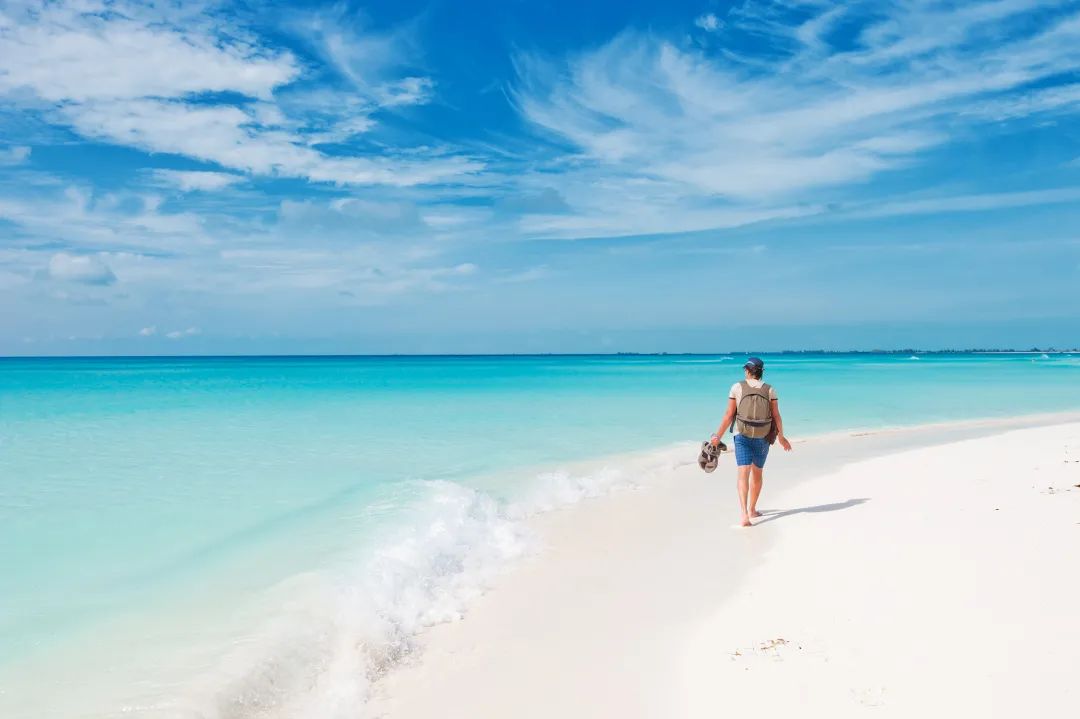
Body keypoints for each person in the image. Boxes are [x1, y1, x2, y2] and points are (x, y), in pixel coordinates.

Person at [710, 357, 792, 527]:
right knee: (757, 474)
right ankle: (753, 509)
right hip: (763, 437)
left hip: (742, 436)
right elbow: (776, 415)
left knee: (743, 473)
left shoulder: (737, 387)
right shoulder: (770, 390)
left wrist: (717, 437)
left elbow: (729, 415)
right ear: (761, 372)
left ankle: (744, 514)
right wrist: (782, 437)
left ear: (747, 371)